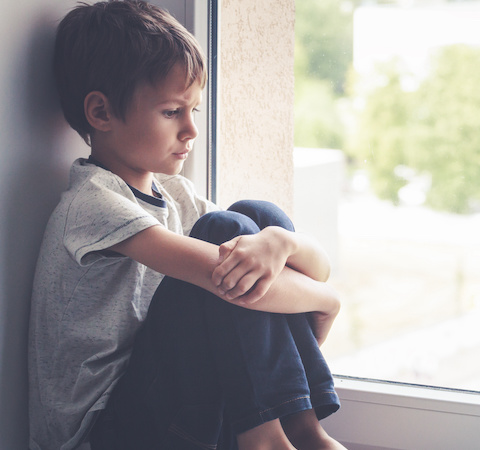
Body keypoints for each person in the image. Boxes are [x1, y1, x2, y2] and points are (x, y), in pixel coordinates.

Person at [27, 1, 345, 449]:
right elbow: (229, 278)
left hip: (169, 407)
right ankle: (266, 441)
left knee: (258, 220)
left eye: (193, 110)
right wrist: (327, 303)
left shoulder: (176, 197)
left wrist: (280, 241)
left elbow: (317, 267)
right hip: (109, 435)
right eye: (172, 112)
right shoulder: (91, 203)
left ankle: (305, 431)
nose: (191, 130)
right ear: (101, 113)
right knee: (225, 237)